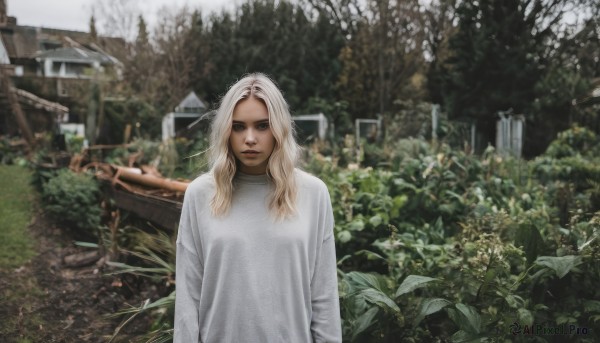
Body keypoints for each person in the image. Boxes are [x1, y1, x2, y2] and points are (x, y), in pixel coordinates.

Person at [174, 73, 342, 343]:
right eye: (238, 126)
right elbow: (188, 297)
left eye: (262, 126)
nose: (249, 138)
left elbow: (323, 296)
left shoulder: (313, 194)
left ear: (279, 128)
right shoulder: (201, 194)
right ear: (226, 131)